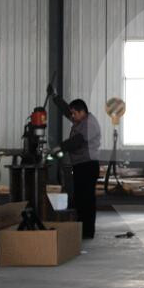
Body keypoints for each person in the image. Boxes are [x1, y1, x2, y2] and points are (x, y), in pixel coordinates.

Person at [49, 88, 102, 239]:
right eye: (72, 114)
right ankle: (81, 229)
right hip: (80, 166)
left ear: (81, 112)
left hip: (87, 166)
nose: (71, 116)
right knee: (80, 198)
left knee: (86, 200)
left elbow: (76, 141)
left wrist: (59, 147)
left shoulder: (89, 124)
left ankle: (87, 232)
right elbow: (67, 110)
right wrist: (55, 97)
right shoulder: (80, 119)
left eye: (74, 114)